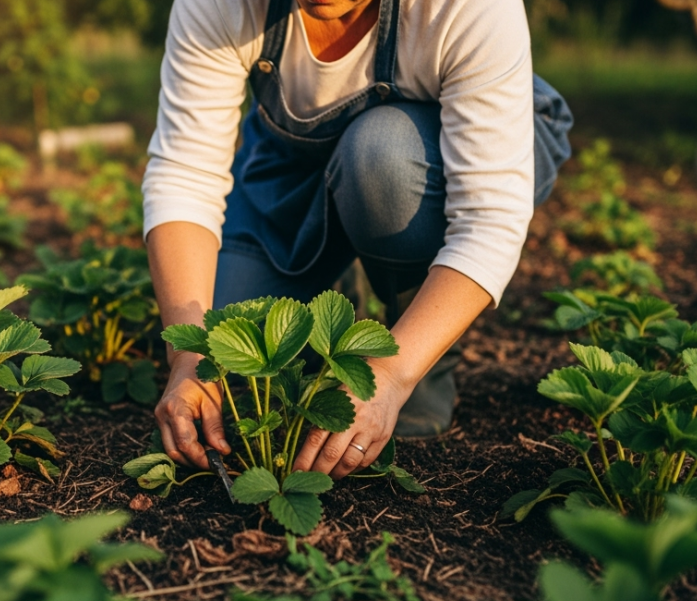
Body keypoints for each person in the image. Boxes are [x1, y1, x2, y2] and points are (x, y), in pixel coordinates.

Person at [143, 0, 572, 480]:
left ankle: (415, 343)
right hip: (295, 165)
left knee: (379, 153)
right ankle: (336, 303)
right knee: (228, 340)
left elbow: (487, 219)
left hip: (432, 161)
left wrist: (390, 376)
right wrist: (189, 358)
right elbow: (184, 176)